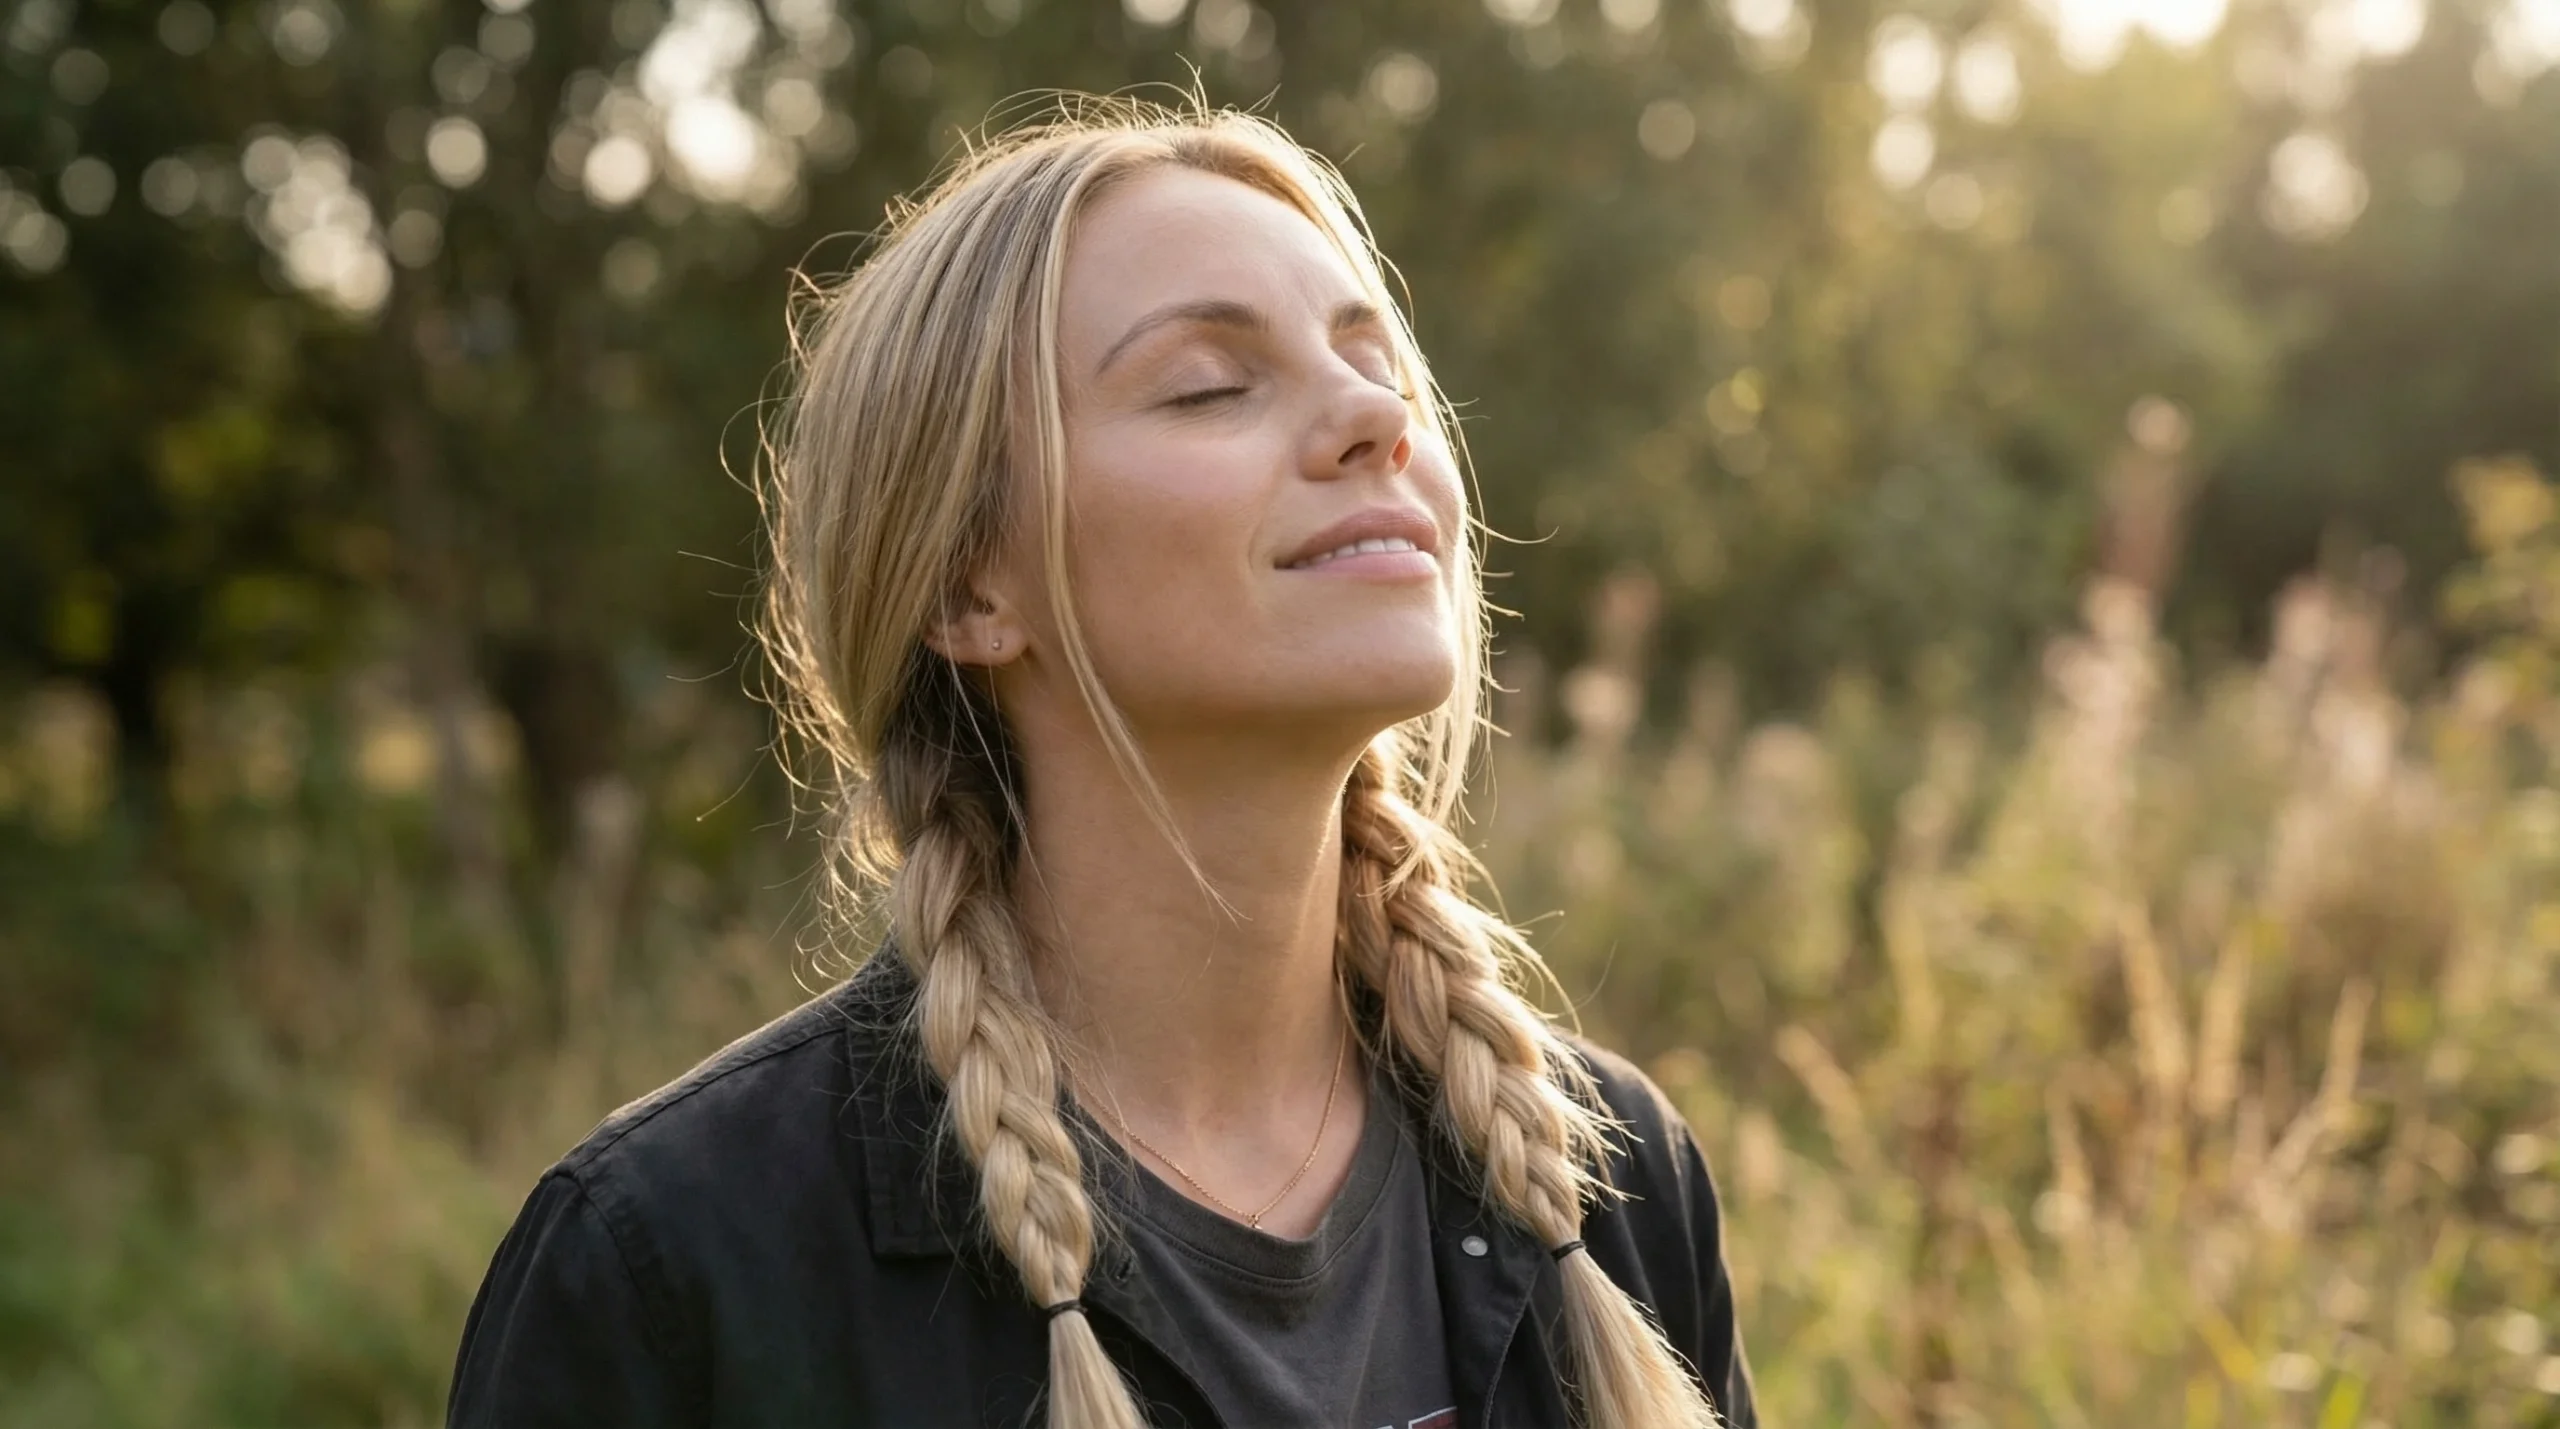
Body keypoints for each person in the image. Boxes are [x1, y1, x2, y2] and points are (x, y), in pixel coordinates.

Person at [446, 98, 1754, 1429]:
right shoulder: (676, 1271)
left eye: (1384, 370)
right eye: (1209, 386)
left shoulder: (1615, 1185)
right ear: (968, 588)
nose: (1376, 419)